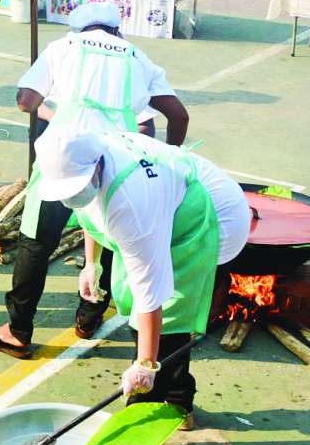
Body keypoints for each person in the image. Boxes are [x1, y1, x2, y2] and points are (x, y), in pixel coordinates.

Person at [0, 2, 190, 359]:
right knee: (109, 236)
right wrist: (171, 155)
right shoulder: (137, 57)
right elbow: (178, 115)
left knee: (36, 241)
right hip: (119, 160)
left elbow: (26, 101)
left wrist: (58, 109)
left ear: (77, 29)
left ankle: (18, 330)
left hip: (65, 154)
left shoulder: (62, 47)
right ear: (116, 31)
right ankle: (89, 317)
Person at [31, 130, 251, 417]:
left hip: (211, 215)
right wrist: (91, 264)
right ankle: (175, 394)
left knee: (170, 317)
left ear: (96, 167)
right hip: (166, 201)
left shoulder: (131, 204)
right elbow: (89, 210)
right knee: (148, 318)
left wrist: (145, 365)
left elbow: (152, 295)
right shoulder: (81, 158)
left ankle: (157, 405)